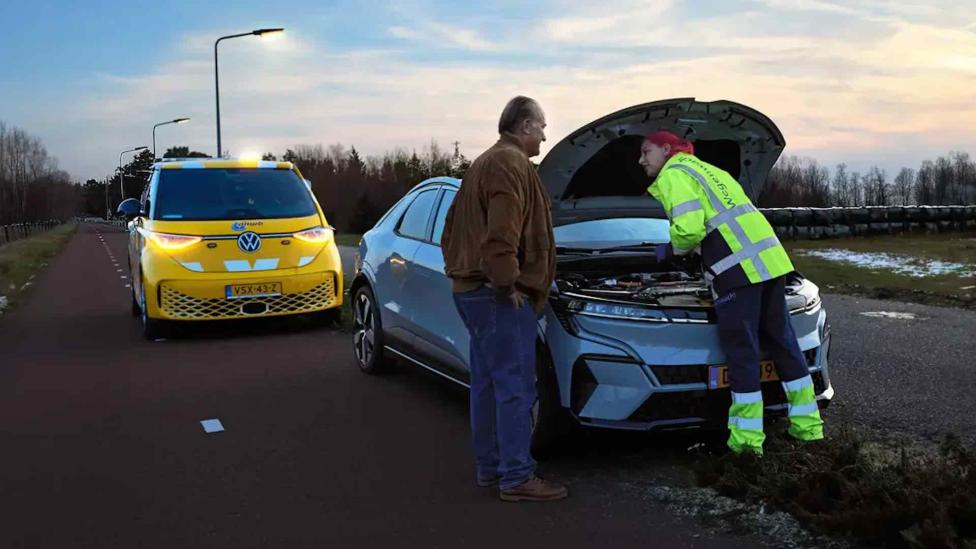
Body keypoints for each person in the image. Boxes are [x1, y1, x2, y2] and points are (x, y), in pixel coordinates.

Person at [638, 130, 824, 456]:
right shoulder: (711, 171)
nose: (642, 161)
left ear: (667, 149)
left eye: (646, 152)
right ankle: (808, 428)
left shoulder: (674, 174)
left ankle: (747, 444)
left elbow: (690, 229)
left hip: (737, 273)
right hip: (772, 263)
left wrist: (669, 251)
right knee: (783, 343)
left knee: (742, 353)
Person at [440, 96, 568, 501]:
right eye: (542, 127)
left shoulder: (485, 162)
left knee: (488, 384)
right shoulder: (510, 164)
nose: (546, 136)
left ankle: (492, 468)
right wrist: (507, 283)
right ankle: (517, 478)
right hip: (496, 295)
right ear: (525, 125)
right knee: (515, 386)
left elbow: (451, 229)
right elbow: (502, 233)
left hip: (474, 290)